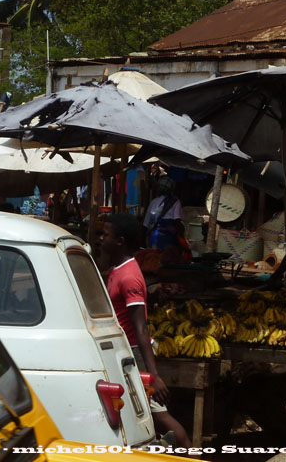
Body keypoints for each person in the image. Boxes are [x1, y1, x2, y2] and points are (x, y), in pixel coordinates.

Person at [98, 213, 192, 450]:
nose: (101, 238)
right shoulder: (117, 269)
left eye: (105, 234)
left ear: (119, 241)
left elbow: (141, 327)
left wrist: (154, 375)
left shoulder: (129, 276)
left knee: (161, 418)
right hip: (125, 352)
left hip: (135, 355)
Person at [143, 174, 183, 249]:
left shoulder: (153, 202)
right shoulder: (175, 202)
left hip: (154, 238)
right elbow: (177, 221)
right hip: (169, 238)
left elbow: (146, 224)